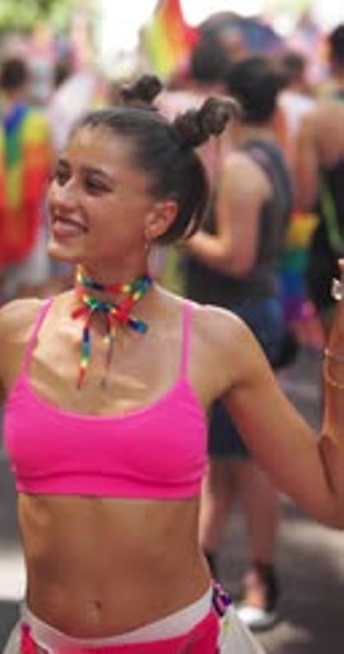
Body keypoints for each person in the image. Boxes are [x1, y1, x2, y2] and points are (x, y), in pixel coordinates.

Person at [0, 74, 344, 654]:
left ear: (157, 217)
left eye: (94, 185)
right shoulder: (15, 330)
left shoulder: (216, 339)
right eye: (62, 175)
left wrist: (339, 360)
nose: (62, 198)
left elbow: (332, 499)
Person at [182, 57, 293, 630]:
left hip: (242, 316)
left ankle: (261, 578)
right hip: (247, 314)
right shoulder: (273, 153)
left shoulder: (246, 169)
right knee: (222, 465)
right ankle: (205, 575)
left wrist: (182, 231)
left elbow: (237, 256)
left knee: (247, 464)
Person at [0, 56, 52, 328]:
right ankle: (17, 356)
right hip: (25, 215)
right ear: (25, 81)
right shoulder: (36, 121)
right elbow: (46, 169)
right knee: (29, 292)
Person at [294, 23, 344, 335]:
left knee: (337, 372)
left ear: (331, 58)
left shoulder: (317, 119)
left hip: (334, 256)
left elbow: (307, 197)